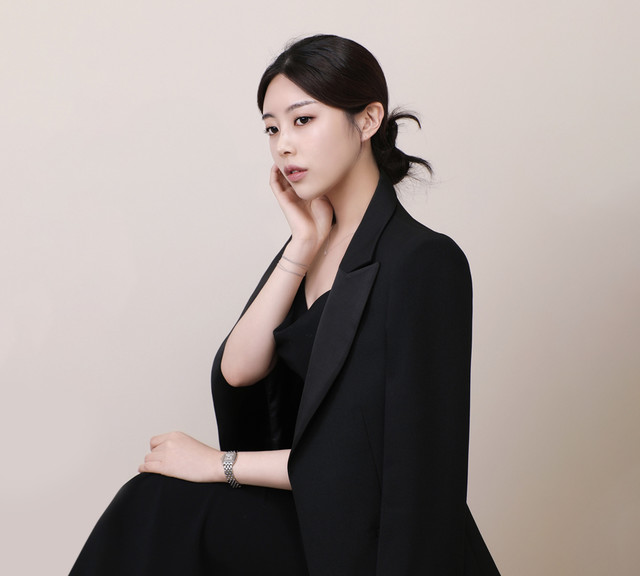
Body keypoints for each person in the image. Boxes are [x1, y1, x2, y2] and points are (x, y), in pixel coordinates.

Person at [70, 34, 501, 576]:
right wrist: (300, 246)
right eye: (272, 128)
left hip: (378, 544)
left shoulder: (424, 262)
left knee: (158, 504)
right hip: (313, 519)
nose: (284, 146)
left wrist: (218, 464)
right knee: (153, 500)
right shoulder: (311, 244)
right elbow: (237, 372)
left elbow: (391, 465)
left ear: (368, 120)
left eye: (303, 120)